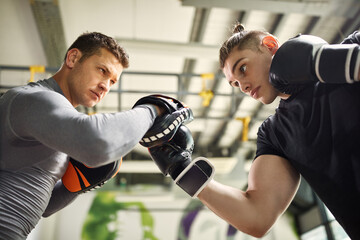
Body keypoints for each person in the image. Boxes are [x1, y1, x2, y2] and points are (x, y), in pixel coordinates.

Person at [144, 24, 360, 239]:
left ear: (270, 45)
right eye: (235, 84)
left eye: (243, 68)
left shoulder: (353, 44)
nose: (243, 87)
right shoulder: (276, 134)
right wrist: (182, 169)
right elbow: (257, 217)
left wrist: (327, 61)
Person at [0, 32, 192, 240]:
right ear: (73, 58)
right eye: (102, 71)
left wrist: (75, 187)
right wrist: (153, 110)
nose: (105, 86)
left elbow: (43, 207)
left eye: (112, 82)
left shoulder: (58, 126)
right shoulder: (35, 99)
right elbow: (98, 143)